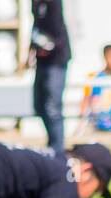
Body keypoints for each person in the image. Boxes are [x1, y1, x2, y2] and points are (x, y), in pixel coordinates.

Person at [30, 0, 71, 154]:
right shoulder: (35, 3)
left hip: (57, 60)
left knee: (53, 107)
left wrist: (49, 47)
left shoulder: (53, 3)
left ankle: (57, 150)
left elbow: (55, 29)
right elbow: (37, 26)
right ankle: (52, 144)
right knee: (39, 105)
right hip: (43, 61)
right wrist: (32, 50)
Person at [78, 44, 111, 135]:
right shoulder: (94, 78)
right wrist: (81, 122)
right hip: (95, 123)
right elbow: (86, 98)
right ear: (105, 57)